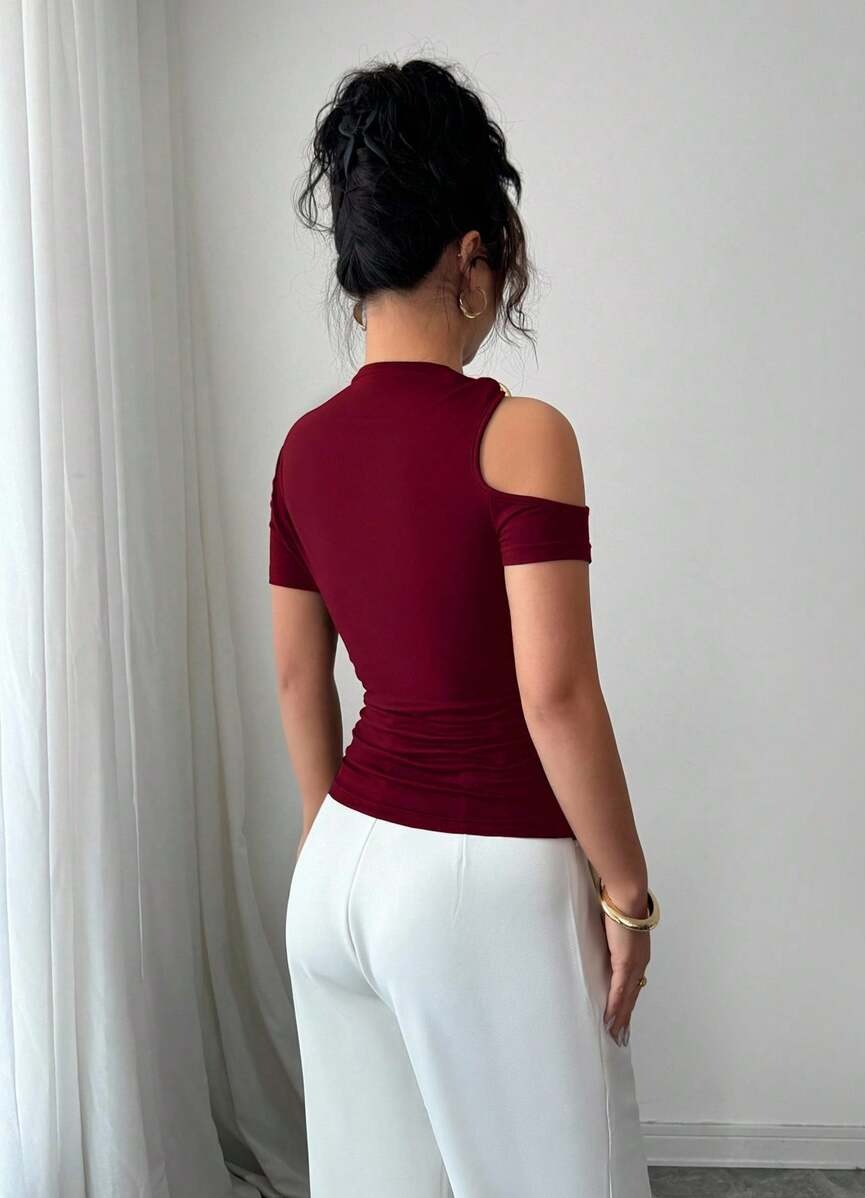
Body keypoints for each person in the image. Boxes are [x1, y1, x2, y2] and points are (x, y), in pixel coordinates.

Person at [270, 56, 659, 1198]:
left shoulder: (303, 448)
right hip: (479, 879)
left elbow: (299, 681)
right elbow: (557, 696)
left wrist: (336, 850)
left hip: (335, 876)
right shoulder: (520, 433)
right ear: (474, 257)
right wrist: (629, 895)